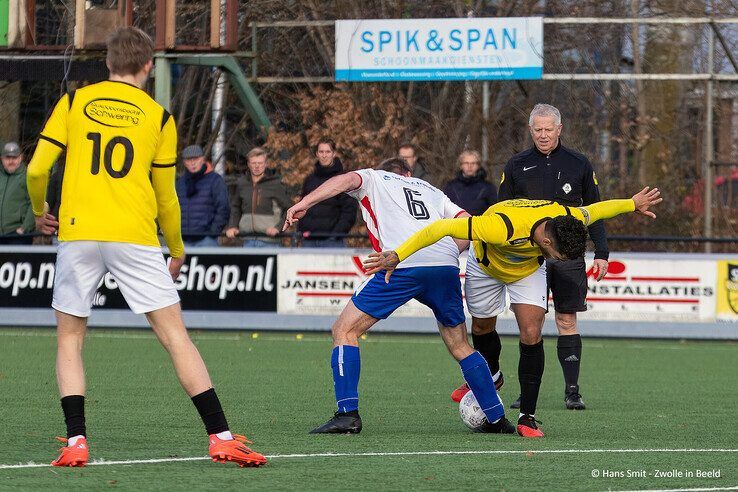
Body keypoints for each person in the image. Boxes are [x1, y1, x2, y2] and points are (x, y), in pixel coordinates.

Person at [25, 27, 265, 468]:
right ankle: (221, 437)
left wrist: (41, 210)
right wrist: (176, 247)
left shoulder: (76, 102)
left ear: (108, 63)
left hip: (78, 233)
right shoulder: (158, 117)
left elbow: (38, 168)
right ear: (148, 66)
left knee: (70, 340)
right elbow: (166, 198)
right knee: (175, 337)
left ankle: (76, 441)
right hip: (135, 236)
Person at [363, 187, 662, 438]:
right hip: (486, 267)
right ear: (546, 241)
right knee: (480, 328)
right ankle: (492, 376)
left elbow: (597, 209)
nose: (558, 260)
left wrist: (632, 204)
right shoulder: (498, 226)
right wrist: (398, 254)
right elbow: (441, 227)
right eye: (557, 256)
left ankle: (527, 417)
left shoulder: (567, 217)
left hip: (526, 272)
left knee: (532, 333)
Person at [283, 158, 515, 435]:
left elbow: (343, 180)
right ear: (407, 173)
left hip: (401, 264)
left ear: (385, 170)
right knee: (459, 344)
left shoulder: (373, 178)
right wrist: (448, 252)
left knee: (344, 330)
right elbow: (467, 223)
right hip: (445, 265)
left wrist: (304, 204)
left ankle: (347, 415)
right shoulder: (431, 190)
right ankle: (497, 418)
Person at [494, 103, 608, 411]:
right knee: (530, 325)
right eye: (538, 130)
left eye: (549, 129)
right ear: (530, 130)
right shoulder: (516, 164)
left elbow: (595, 212)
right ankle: (526, 390)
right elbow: (501, 212)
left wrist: (602, 252)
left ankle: (572, 390)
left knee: (566, 319)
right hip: (530, 256)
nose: (543, 135)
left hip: (568, 254)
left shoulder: (579, 163)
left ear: (559, 129)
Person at [297, 137, 357, 247]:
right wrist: (301, 231)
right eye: (321, 151)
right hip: (309, 240)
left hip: (333, 241)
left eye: (328, 151)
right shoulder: (309, 180)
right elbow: (302, 206)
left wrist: (335, 235)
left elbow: (349, 212)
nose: (324, 155)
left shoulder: (344, 179)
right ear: (317, 154)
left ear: (334, 154)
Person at [226, 147, 291, 247]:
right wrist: (233, 226)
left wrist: (278, 228)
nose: (257, 166)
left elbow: (290, 209)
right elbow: (236, 207)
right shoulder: (242, 183)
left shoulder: (275, 184)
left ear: (265, 164)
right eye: (253, 163)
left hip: (269, 242)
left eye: (260, 163)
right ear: (248, 164)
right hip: (247, 240)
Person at [175, 144, 229, 247]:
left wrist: (212, 233)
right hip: (183, 240)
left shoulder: (215, 180)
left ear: (203, 159)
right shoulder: (180, 183)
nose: (193, 163)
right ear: (184, 162)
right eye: (189, 160)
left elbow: (223, 208)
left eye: (196, 159)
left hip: (206, 240)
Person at [443, 150, 498, 215]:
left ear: (478, 165)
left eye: (473, 163)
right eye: (466, 163)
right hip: (456, 223)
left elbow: (494, 210)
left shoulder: (488, 188)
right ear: (461, 165)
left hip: (479, 223)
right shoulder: (451, 187)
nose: (470, 166)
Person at [0, 142, 35, 244]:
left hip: (18, 236)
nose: (11, 161)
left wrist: (25, 228)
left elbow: (34, 203)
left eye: (14, 158)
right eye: (7, 158)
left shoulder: (28, 177)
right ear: (2, 159)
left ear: (20, 158)